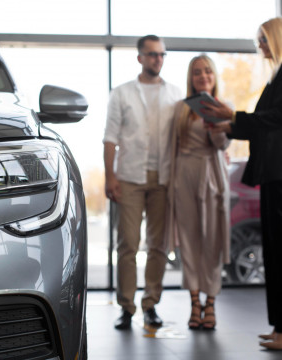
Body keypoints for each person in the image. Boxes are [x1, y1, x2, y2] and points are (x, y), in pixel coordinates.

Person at [202, 17, 282, 349]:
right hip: (271, 175)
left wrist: (232, 117)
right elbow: (262, 125)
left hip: (279, 175)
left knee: (279, 252)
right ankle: (279, 327)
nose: (259, 45)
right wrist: (228, 125)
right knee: (274, 253)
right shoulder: (274, 77)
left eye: (262, 39)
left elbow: (275, 119)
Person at [103, 35, 182, 330]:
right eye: (151, 54)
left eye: (161, 54)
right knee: (128, 245)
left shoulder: (175, 94)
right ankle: (126, 306)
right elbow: (110, 137)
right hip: (129, 177)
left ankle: (151, 305)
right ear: (139, 58)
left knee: (159, 246)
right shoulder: (121, 93)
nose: (157, 59)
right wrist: (110, 176)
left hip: (164, 178)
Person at [168, 55, 231, 330]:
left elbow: (222, 146)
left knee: (213, 243)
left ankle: (211, 304)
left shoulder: (224, 107)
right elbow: (172, 147)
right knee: (190, 243)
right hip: (185, 176)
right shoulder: (181, 108)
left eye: (207, 71)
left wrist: (216, 127)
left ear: (214, 75)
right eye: (197, 72)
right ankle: (195, 303)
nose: (203, 76)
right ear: (191, 79)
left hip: (213, 176)